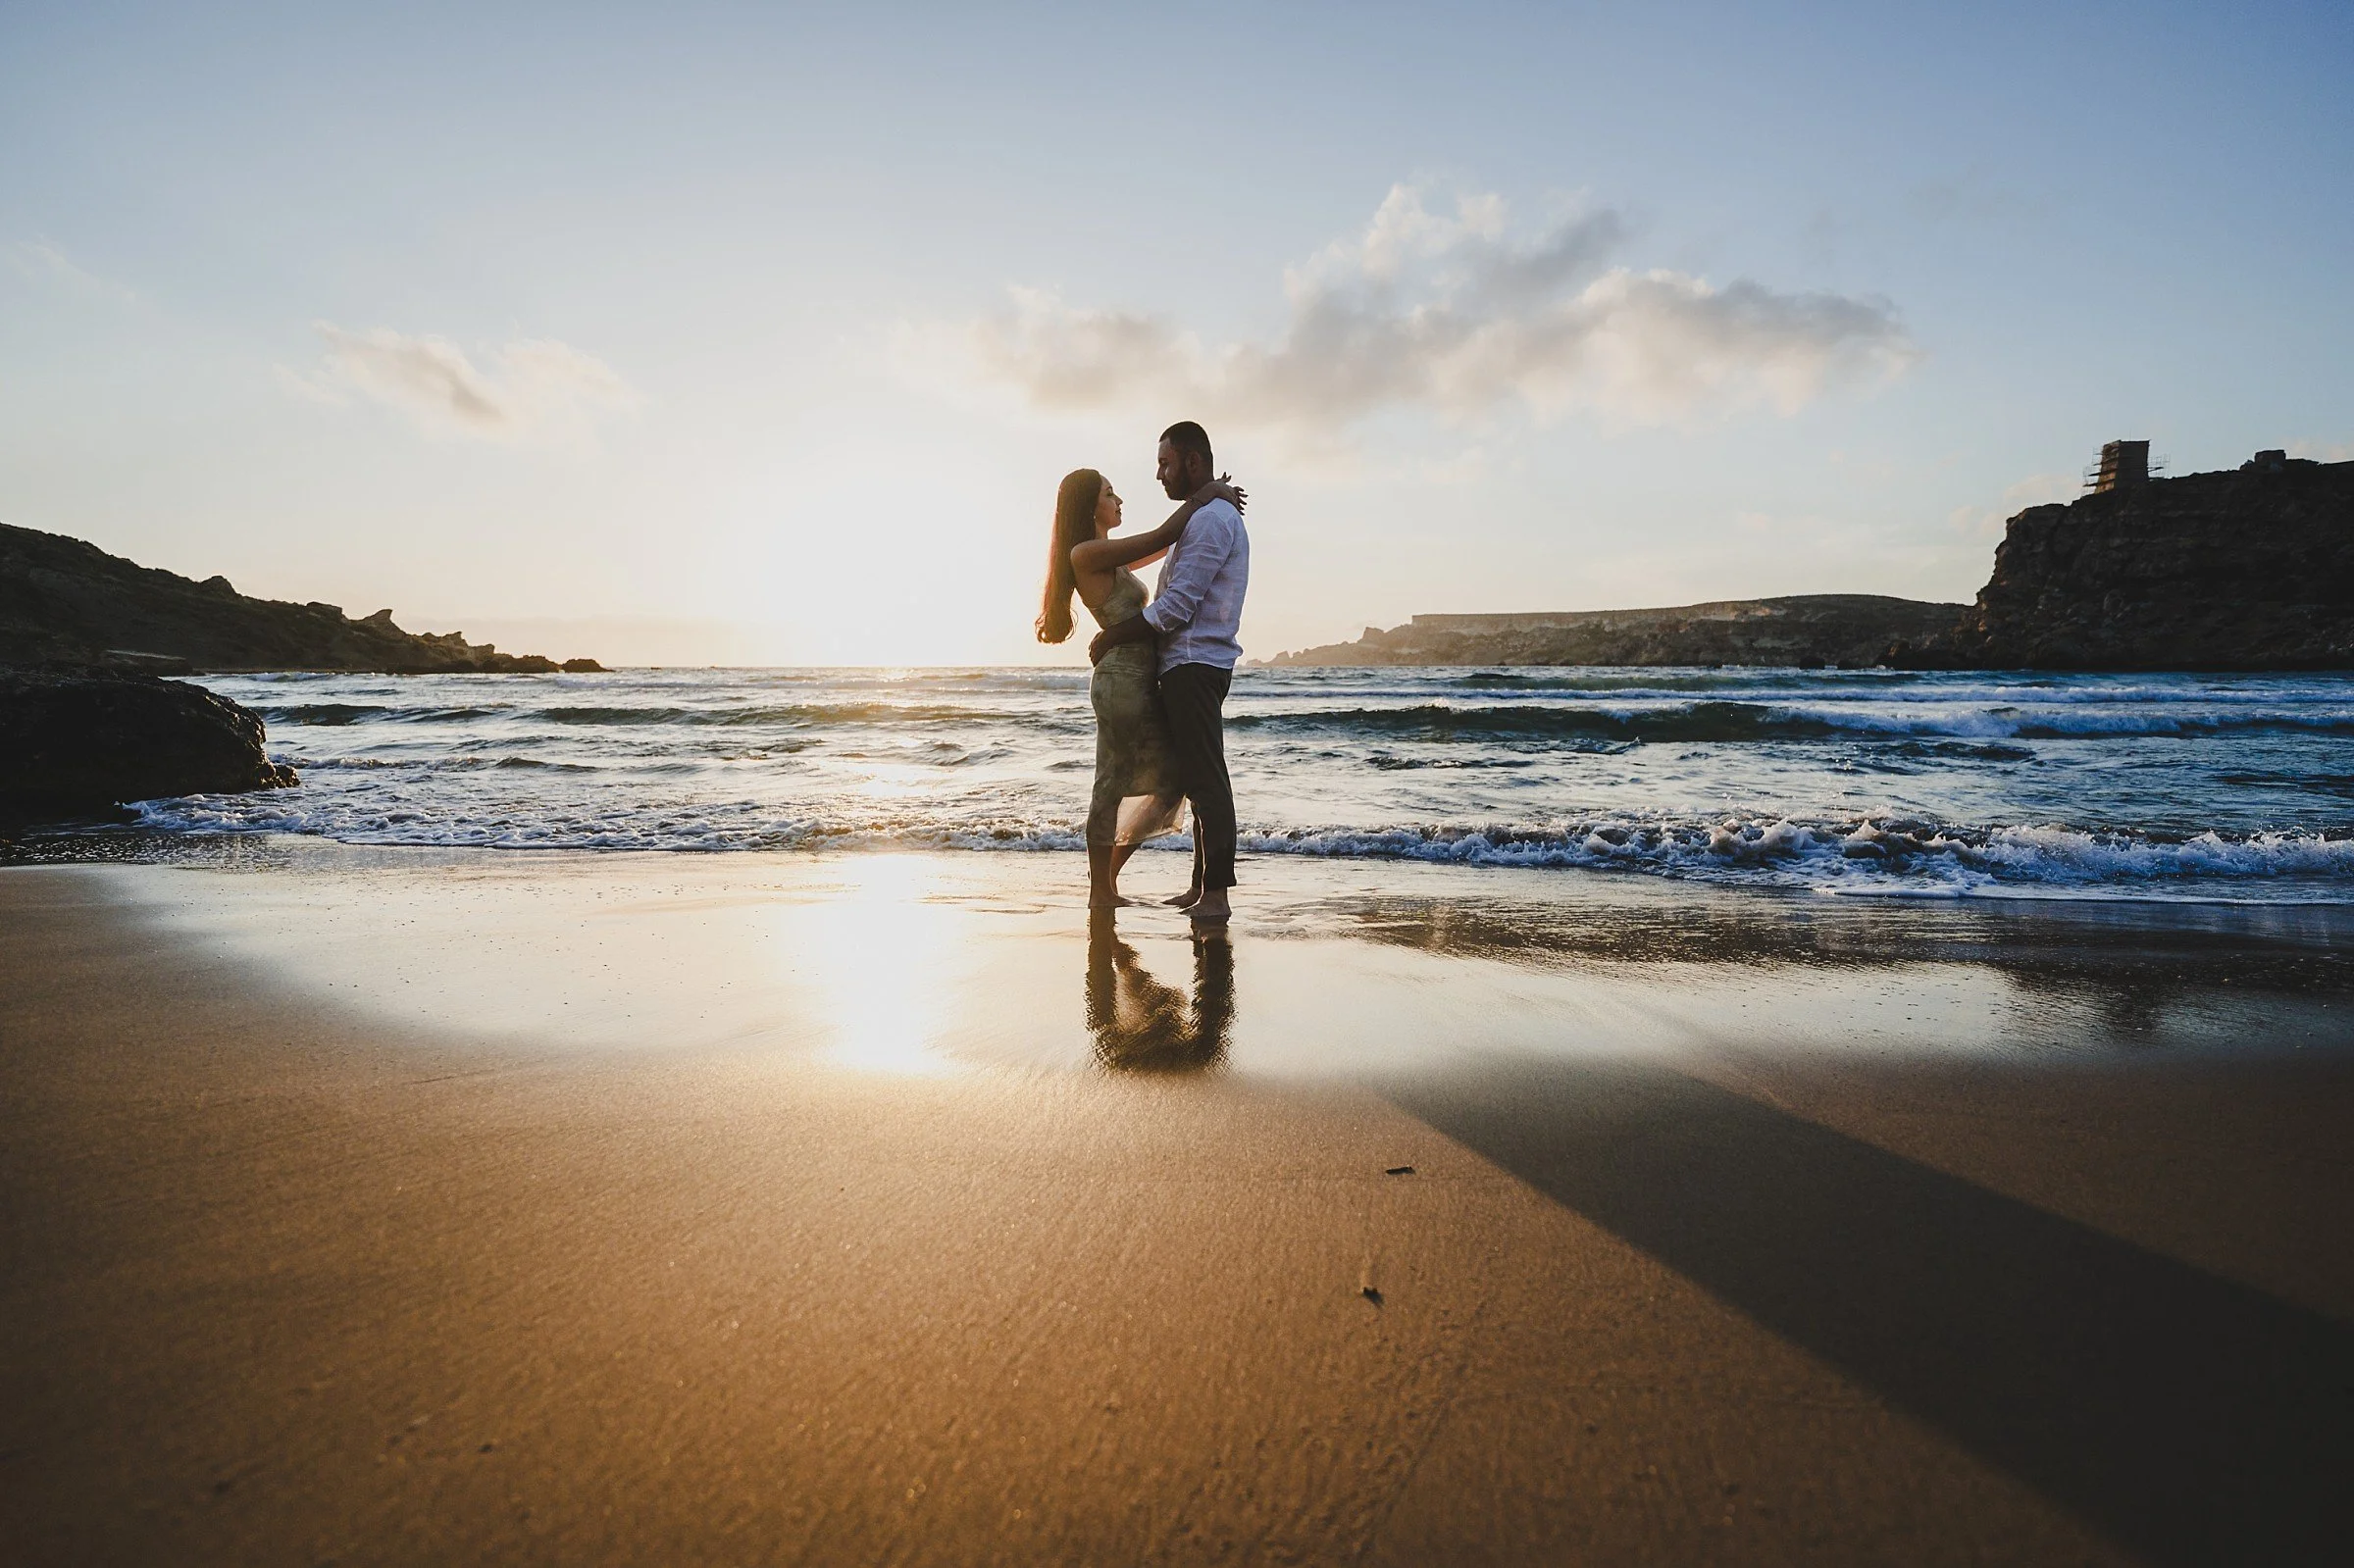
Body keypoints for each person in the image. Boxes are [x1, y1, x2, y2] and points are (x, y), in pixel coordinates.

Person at [1036, 465, 1245, 908]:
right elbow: (1156, 538)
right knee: (1111, 782)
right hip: (1120, 681)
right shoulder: (1085, 554)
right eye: (1110, 494)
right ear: (1089, 506)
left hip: (1140, 679)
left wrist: (1211, 503)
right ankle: (1100, 893)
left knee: (1171, 783)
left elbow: (1166, 542)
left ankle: (1109, 880)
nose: (1119, 501)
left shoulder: (1107, 554)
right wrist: (1207, 493)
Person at [1088, 422, 1251, 926]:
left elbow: (1176, 607)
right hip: (1187, 665)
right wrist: (1207, 494)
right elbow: (1163, 548)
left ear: (1193, 462)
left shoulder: (1209, 522)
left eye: (1165, 463)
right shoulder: (1202, 518)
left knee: (1207, 780)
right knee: (1196, 778)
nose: (1159, 474)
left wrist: (1115, 636)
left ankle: (1217, 895)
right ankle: (1201, 887)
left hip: (1195, 665)